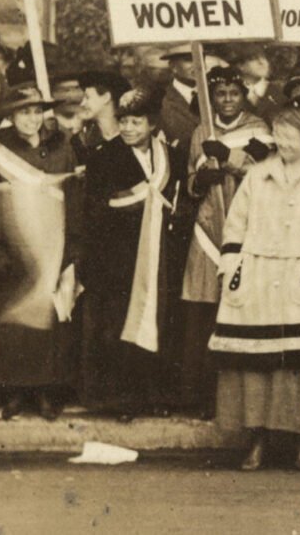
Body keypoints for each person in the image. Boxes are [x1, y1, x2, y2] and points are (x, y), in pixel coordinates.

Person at [209, 107, 300, 471]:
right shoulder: (257, 175)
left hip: (299, 274)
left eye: (290, 136)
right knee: (255, 363)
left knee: (298, 364)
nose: (282, 142)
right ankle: (256, 441)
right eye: (278, 135)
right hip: (256, 274)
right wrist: (231, 267)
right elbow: (236, 224)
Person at [0, 85, 81, 420]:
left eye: (36, 112)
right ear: (11, 117)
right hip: (16, 246)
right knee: (17, 324)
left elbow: (73, 195)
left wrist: (74, 243)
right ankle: (17, 391)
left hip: (53, 244)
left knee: (50, 321)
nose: (31, 119)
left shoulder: (62, 147)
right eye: (23, 112)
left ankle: (46, 391)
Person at [81, 86, 181, 421]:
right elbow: (93, 209)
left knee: (159, 320)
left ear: (151, 124)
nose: (128, 128)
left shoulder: (167, 156)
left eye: (136, 122)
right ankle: (123, 400)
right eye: (123, 121)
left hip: (158, 256)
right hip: (119, 258)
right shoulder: (104, 157)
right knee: (120, 325)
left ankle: (155, 393)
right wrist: (130, 202)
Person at [179, 67, 271, 418]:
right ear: (212, 97)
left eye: (234, 93)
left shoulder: (259, 127)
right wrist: (200, 179)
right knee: (204, 311)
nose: (228, 100)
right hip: (208, 228)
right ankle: (202, 397)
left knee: (240, 311)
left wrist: (229, 162)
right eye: (221, 94)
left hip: (246, 227)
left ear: (243, 94)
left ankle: (240, 400)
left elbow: (261, 169)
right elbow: (189, 176)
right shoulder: (203, 129)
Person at [76, 70, 127, 162]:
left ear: (106, 98)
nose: (82, 103)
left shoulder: (131, 137)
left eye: (87, 97)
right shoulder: (81, 142)